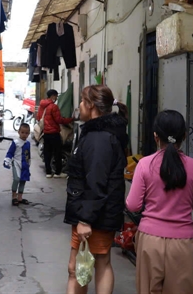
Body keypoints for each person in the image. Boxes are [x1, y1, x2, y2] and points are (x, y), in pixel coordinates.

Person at [126, 110, 193, 294]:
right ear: (184, 136)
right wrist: (190, 202)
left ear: (155, 136)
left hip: (150, 240)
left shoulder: (144, 164)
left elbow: (133, 205)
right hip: (182, 244)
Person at [64, 85, 129, 294]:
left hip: (94, 215)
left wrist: (85, 220)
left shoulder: (98, 138)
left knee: (81, 267)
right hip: (98, 212)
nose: (79, 106)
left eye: (83, 101)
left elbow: (96, 182)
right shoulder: (101, 134)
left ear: (91, 105)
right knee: (97, 262)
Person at [37, 89, 73, 178]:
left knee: (47, 153)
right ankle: (58, 172)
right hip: (54, 133)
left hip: (45, 133)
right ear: (53, 96)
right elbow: (59, 120)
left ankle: (48, 172)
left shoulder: (42, 106)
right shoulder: (53, 106)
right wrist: (71, 119)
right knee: (57, 153)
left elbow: (38, 117)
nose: (56, 98)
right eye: (56, 96)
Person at [3, 123, 32, 206]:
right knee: (16, 179)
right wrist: (7, 160)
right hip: (16, 163)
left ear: (28, 133)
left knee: (23, 180)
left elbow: (28, 154)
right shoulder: (15, 143)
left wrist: (29, 163)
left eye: (26, 133)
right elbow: (10, 152)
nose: (24, 134)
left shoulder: (28, 143)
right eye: (22, 132)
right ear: (19, 132)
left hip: (25, 164)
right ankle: (13, 197)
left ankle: (20, 198)